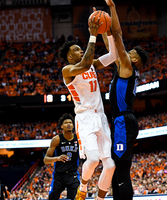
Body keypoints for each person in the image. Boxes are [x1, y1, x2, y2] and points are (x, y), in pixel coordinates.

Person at [59, 10, 117, 200]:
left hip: (100, 116)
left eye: (80, 48)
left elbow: (113, 56)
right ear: (69, 57)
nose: (80, 50)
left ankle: (99, 199)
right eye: (75, 50)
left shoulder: (90, 62)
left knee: (110, 166)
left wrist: (106, 30)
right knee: (92, 159)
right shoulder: (68, 70)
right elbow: (83, 65)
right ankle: (83, 187)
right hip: (84, 118)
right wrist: (92, 34)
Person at [104, 1, 149, 200]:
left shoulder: (129, 69)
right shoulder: (122, 68)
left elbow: (118, 37)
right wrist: (103, 29)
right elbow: (112, 46)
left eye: (131, 53)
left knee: (121, 170)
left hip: (123, 121)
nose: (126, 53)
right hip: (120, 122)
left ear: (136, 60)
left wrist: (112, 8)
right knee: (115, 169)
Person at [43, 113, 80, 200]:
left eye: (70, 123)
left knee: (76, 198)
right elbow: (45, 159)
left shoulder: (78, 139)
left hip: (73, 174)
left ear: (73, 125)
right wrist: (57, 158)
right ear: (62, 126)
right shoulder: (56, 139)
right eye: (66, 123)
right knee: (52, 197)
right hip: (59, 175)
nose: (68, 124)